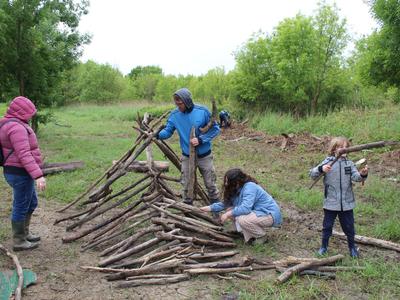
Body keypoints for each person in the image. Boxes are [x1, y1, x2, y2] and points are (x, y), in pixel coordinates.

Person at [157, 88, 220, 205]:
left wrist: (201, 139)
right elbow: (168, 131)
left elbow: (215, 129)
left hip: (204, 156)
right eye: (176, 104)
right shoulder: (175, 115)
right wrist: (156, 134)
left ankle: (216, 209)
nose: (178, 106)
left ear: (187, 101)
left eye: (180, 103)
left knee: (210, 183)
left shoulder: (202, 111)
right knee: (186, 184)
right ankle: (188, 211)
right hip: (187, 156)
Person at [0, 96, 46, 251]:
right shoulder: (16, 127)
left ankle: (25, 233)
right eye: (30, 112)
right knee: (20, 206)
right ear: (22, 112)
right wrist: (38, 175)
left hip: (18, 172)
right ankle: (19, 241)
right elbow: (24, 154)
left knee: (31, 202)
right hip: (20, 173)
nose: (32, 114)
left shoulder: (12, 123)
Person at [309, 136, 368, 258]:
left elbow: (356, 177)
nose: (344, 149)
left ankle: (352, 248)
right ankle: (324, 247)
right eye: (341, 147)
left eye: (346, 147)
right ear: (334, 149)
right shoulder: (327, 162)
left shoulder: (349, 164)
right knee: (327, 226)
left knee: (349, 227)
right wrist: (321, 168)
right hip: (331, 202)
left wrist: (363, 174)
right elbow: (312, 174)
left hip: (347, 203)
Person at [200, 168, 282, 244]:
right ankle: (248, 236)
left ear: (237, 182)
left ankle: (261, 236)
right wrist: (209, 208)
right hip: (257, 212)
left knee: (241, 219)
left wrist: (228, 214)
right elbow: (226, 204)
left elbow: (246, 208)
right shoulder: (236, 188)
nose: (225, 184)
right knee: (230, 210)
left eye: (228, 181)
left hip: (268, 214)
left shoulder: (249, 187)